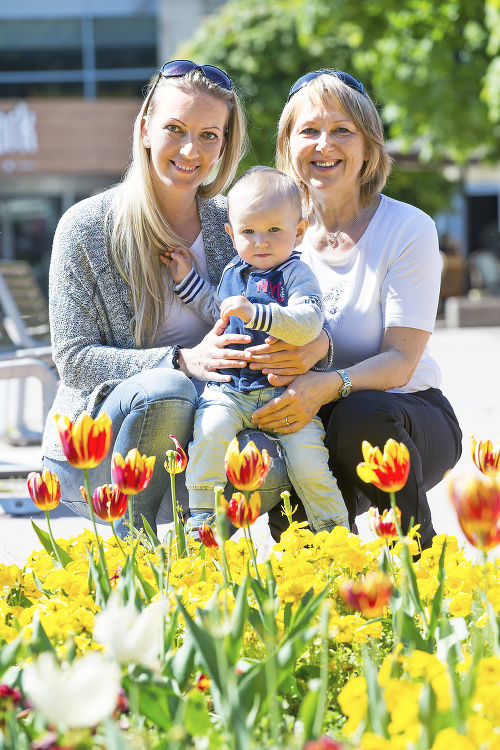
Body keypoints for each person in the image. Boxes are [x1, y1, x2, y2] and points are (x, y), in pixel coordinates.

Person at [41, 60, 309, 537]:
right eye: (175, 129)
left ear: (224, 144)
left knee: (272, 457)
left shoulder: (241, 224)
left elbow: (300, 300)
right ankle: (137, 561)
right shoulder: (85, 228)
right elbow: (75, 361)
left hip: (214, 433)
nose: (192, 150)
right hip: (102, 454)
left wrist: (309, 350)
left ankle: (204, 569)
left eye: (210, 135)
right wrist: (182, 360)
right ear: (144, 129)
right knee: (168, 387)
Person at [248, 69, 463, 549]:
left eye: (342, 130)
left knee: (356, 414)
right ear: (288, 146)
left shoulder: (408, 228)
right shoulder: (272, 237)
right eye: (309, 131)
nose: (324, 145)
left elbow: (401, 360)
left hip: (406, 415)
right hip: (312, 423)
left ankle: (418, 568)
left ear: (368, 147)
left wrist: (330, 382)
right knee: (302, 528)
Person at [163, 166, 349, 537]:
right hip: (231, 391)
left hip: (285, 395)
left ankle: (334, 531)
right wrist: (186, 280)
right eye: (248, 232)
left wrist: (257, 313)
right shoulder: (234, 271)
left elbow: (308, 321)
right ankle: (201, 516)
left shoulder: (297, 275)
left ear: (298, 231)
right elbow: (216, 308)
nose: (260, 242)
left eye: (274, 231)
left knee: (309, 462)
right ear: (232, 235)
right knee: (210, 431)